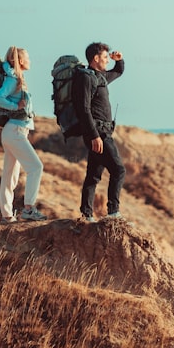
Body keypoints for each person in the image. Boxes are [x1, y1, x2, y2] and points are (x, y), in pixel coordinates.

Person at [0, 46, 46, 222]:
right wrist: (16, 107)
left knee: (10, 176)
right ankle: (29, 208)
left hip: (12, 132)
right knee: (36, 167)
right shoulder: (13, 80)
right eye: (27, 57)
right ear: (20, 61)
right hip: (15, 131)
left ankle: (7, 215)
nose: (30, 60)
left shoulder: (17, 79)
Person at [74, 42, 125, 221]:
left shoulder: (100, 77)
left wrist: (119, 61)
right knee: (118, 170)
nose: (106, 61)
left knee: (93, 176)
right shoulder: (86, 78)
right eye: (104, 58)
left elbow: (118, 72)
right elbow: (84, 109)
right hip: (98, 133)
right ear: (96, 59)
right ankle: (113, 212)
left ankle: (86, 214)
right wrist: (95, 136)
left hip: (102, 133)